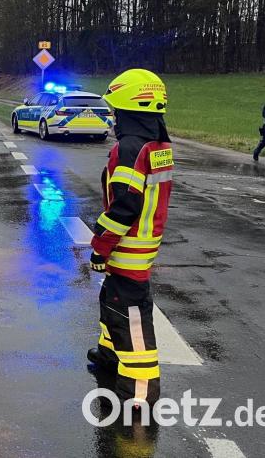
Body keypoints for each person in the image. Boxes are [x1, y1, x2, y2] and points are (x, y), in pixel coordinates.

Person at [87, 68, 173, 410]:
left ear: (125, 108)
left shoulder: (129, 149)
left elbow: (124, 206)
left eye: (114, 109)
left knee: (133, 324)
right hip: (142, 247)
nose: (112, 115)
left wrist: (99, 245)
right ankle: (109, 357)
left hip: (127, 249)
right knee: (113, 305)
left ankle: (139, 395)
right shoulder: (159, 144)